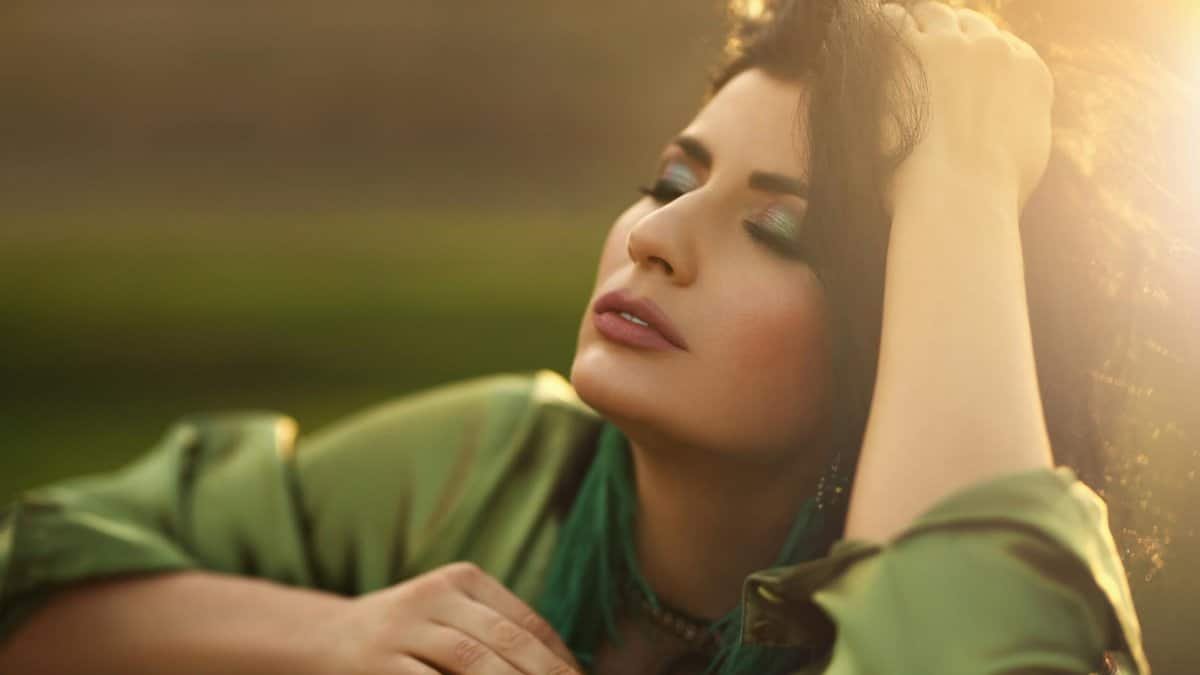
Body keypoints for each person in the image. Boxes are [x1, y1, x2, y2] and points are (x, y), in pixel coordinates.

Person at [0, 1, 1153, 673]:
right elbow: (39, 578)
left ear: (923, 333)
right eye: (667, 181)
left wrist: (958, 180)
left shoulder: (985, 594)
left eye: (778, 231)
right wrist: (336, 637)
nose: (656, 239)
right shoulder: (491, 469)